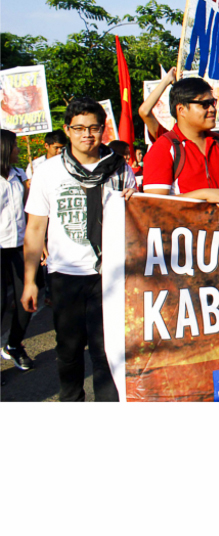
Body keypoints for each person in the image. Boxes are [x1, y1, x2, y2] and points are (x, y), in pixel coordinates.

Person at [21, 98, 136, 401]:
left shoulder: (120, 169)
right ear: (67, 130)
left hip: (109, 277)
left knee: (106, 351)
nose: (87, 134)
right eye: (79, 128)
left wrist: (132, 202)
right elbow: (35, 229)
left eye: (94, 128)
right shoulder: (48, 172)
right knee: (69, 350)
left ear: (103, 129)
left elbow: (136, 223)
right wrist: (30, 281)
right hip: (65, 275)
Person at [143, 77, 219, 206]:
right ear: (181, 110)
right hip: (182, 226)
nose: (212, 109)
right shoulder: (164, 147)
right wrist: (203, 195)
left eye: (213, 102)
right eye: (204, 104)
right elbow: (154, 204)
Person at [1, 130, 34, 371]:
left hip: (21, 246)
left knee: (29, 296)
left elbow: (28, 209)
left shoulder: (19, 174)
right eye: (14, 146)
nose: (18, 150)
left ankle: (13, 344)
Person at [138, 66, 177, 142]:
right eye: (203, 105)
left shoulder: (207, 138)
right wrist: (167, 80)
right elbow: (144, 111)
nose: (208, 110)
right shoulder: (173, 141)